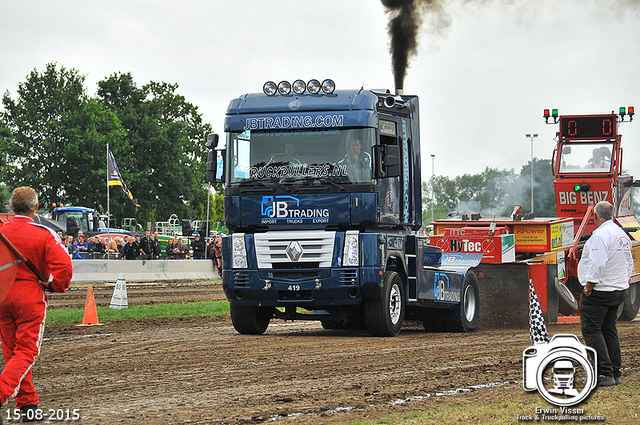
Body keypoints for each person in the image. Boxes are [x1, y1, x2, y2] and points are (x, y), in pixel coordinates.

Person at [0, 187, 73, 419]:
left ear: (11, 207)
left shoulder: (3, 231)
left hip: (2, 295)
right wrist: (55, 286)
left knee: (13, 352)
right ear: (36, 208)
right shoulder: (44, 233)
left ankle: (28, 404)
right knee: (26, 352)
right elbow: (64, 266)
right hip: (30, 296)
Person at [578, 201, 634, 387]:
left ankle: (603, 373)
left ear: (594, 216)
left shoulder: (600, 235)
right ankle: (615, 373)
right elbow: (629, 263)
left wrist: (588, 287)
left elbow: (598, 263)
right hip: (618, 288)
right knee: (609, 329)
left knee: (592, 330)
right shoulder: (621, 234)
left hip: (601, 290)